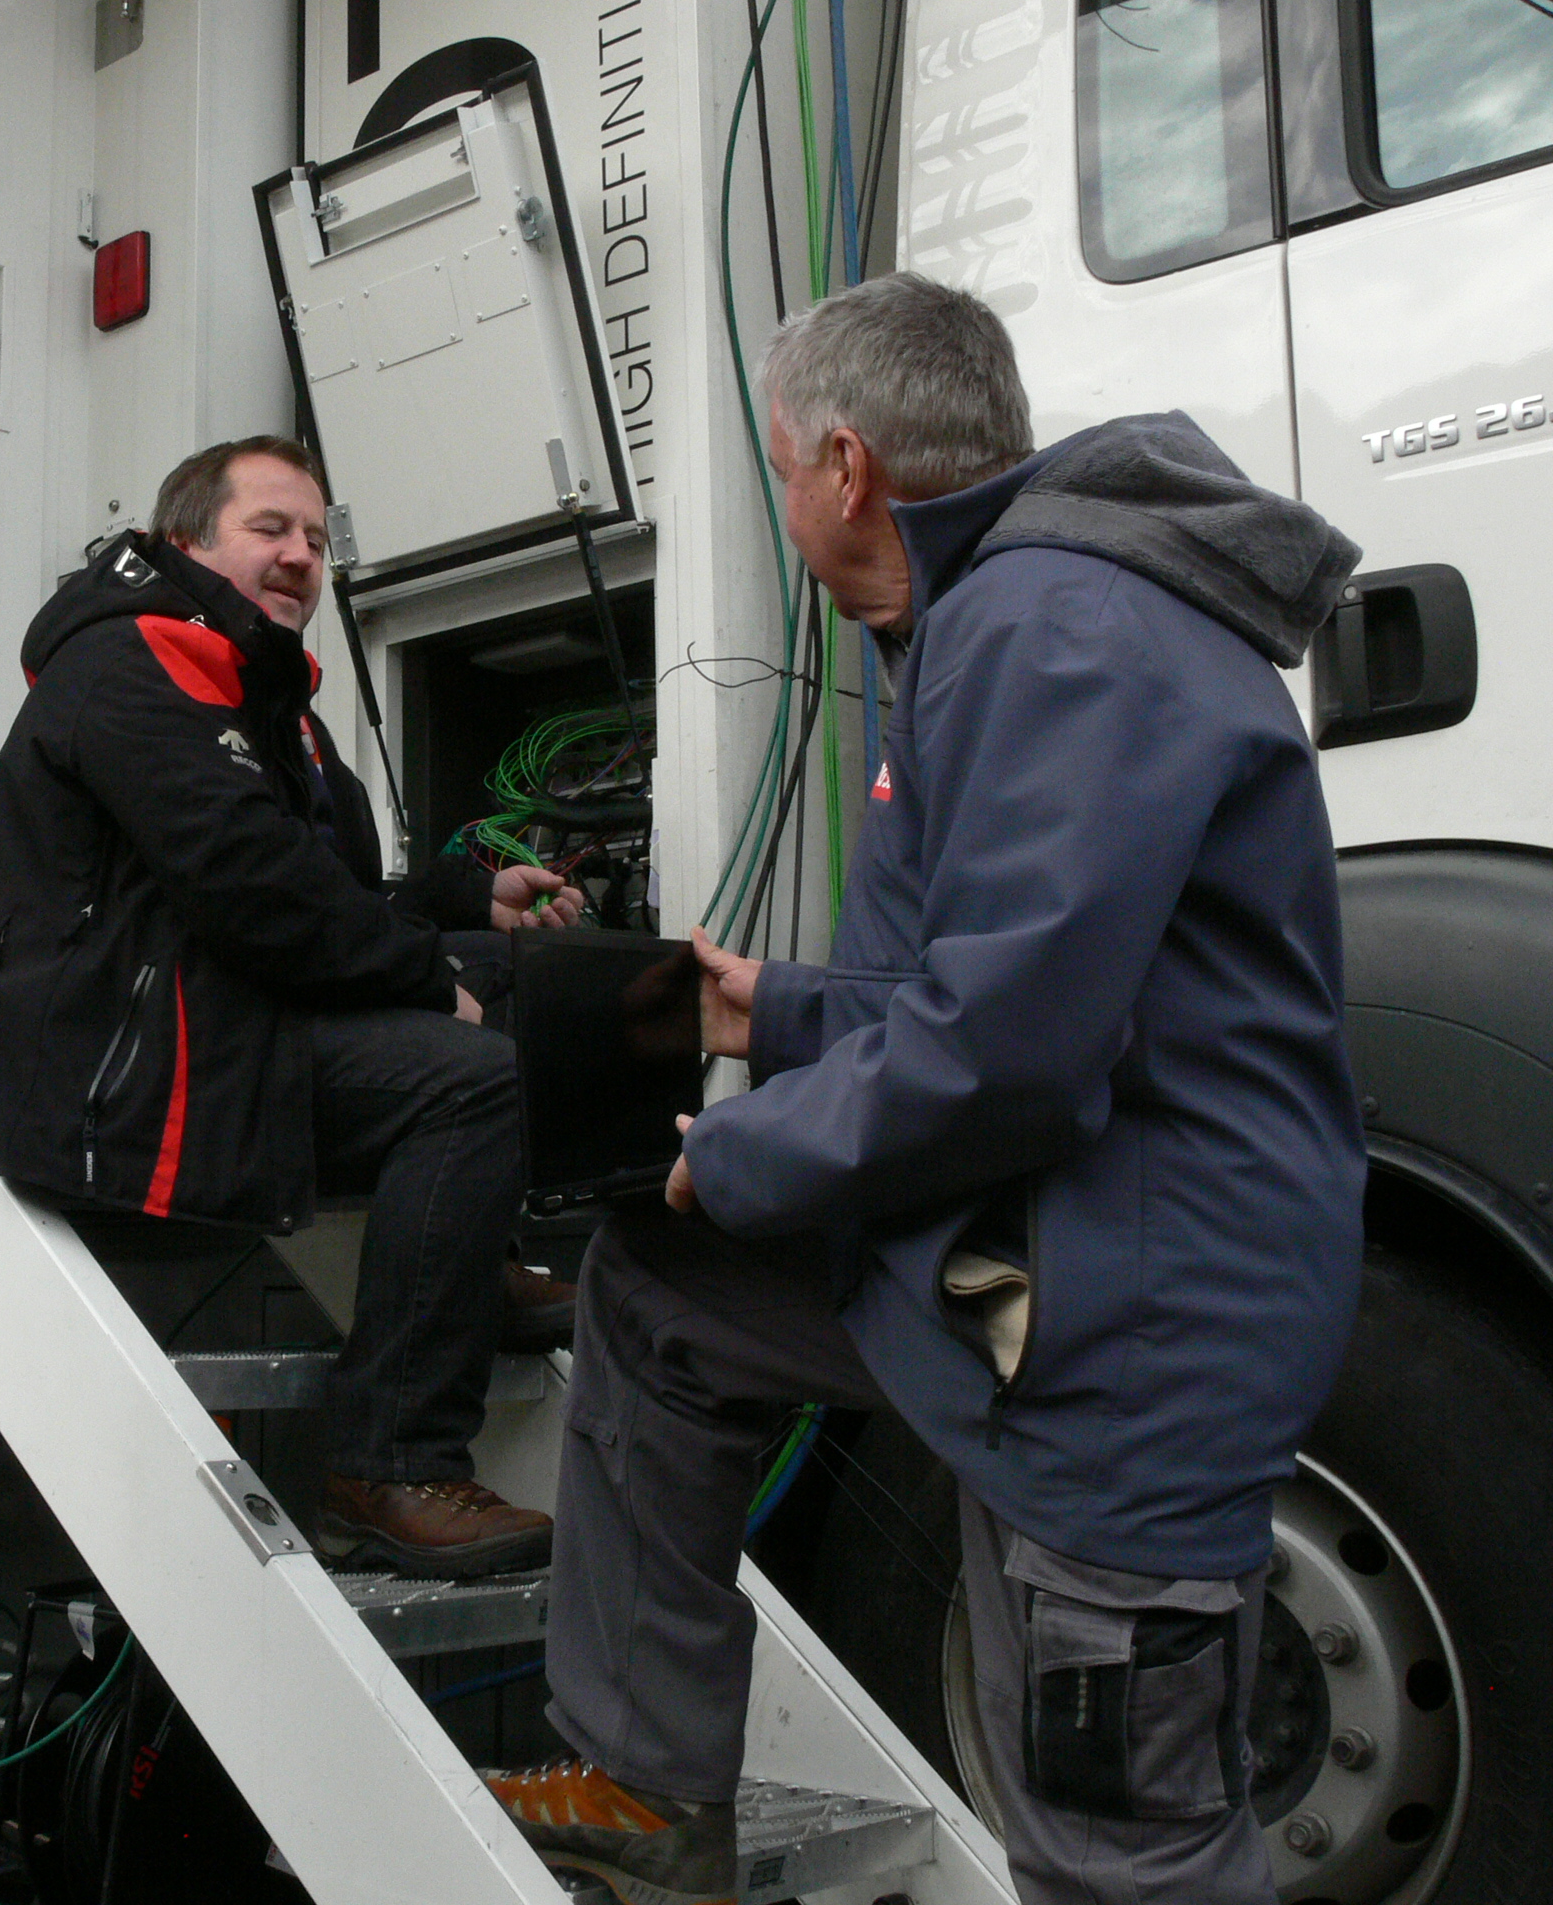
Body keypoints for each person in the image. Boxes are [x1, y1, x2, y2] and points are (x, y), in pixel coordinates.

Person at [489, 273, 1366, 1905]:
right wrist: (770, 1006)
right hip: (1037, 1263)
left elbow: (1008, 1055)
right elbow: (950, 1000)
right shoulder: (984, 627)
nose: (783, 495)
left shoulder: (1056, 630)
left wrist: (734, 1156)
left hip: (1127, 1336)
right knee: (664, 1300)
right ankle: (641, 1809)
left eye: (774, 462)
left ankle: (646, 1805)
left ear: (844, 469)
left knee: (1125, 1855)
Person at [0, 436, 580, 1577]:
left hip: (220, 1018)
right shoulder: (132, 663)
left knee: (537, 980)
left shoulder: (254, 679)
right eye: (268, 530)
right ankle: (387, 1464)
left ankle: (468, 1256)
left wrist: (462, 899)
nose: (300, 556)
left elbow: (322, 881)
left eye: (312, 536)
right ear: (184, 539)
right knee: (471, 1077)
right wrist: (422, 979)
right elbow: (252, 886)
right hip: (130, 1064)